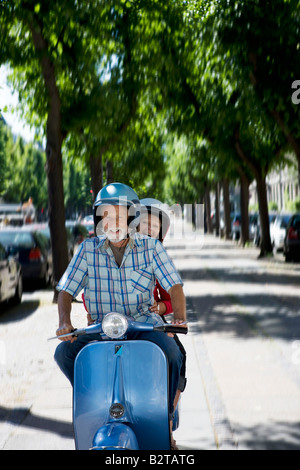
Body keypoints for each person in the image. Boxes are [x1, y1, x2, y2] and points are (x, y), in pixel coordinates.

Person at [54, 182, 186, 449]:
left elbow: (174, 286)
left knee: (172, 353)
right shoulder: (87, 250)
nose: (111, 222)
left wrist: (178, 318)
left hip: (144, 326)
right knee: (63, 354)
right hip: (100, 330)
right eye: (105, 215)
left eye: (117, 215)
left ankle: (166, 417)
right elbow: (65, 291)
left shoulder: (151, 248)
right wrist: (64, 321)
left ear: (132, 216)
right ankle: (93, 399)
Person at [139, 198, 187, 404]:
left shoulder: (160, 258)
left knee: (178, 355)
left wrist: (160, 307)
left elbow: (170, 299)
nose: (149, 228)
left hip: (151, 323)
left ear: (161, 232)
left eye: (155, 225)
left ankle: (169, 413)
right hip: (117, 323)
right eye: (145, 223)